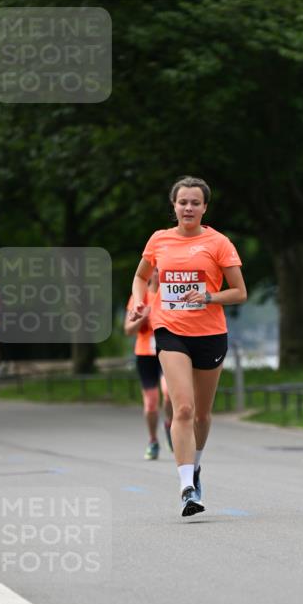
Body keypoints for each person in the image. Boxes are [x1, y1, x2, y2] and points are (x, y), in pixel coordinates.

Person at [130, 177, 247, 516]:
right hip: (170, 330)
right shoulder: (159, 239)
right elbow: (140, 277)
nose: (189, 208)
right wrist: (140, 301)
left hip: (210, 334)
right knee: (182, 408)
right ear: (174, 205)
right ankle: (186, 488)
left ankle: (195, 467)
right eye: (183, 202)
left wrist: (209, 296)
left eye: (195, 202)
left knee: (202, 414)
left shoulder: (218, 242)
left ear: (205, 207)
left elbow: (240, 292)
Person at [124, 269, 173, 460]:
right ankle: (153, 441)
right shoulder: (140, 296)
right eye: (155, 270)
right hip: (145, 353)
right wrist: (143, 317)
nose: (159, 274)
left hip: (167, 350)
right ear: (150, 273)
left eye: (162, 270)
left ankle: (170, 424)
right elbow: (128, 329)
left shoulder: (171, 294)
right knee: (151, 402)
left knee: (168, 392)